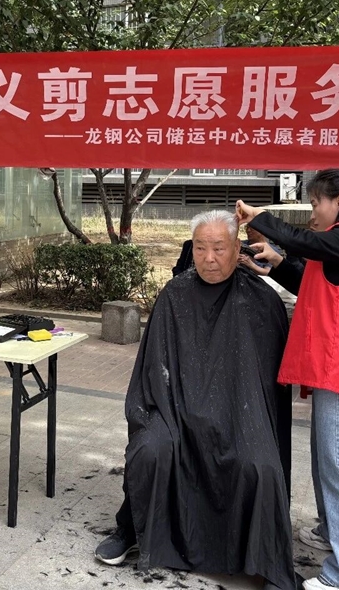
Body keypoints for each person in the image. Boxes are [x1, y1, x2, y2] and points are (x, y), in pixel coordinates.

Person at [95, 210, 296, 590]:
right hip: (174, 411)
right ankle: (131, 528)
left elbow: (269, 389)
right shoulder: (175, 294)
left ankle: (269, 561)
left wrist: (235, 417)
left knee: (261, 465)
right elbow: (152, 370)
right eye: (201, 248)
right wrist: (176, 413)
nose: (209, 258)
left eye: (219, 248)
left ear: (237, 249)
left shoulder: (261, 300)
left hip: (241, 416)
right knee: (150, 448)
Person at [237, 169, 339, 590]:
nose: (312, 212)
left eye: (316, 203)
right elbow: (311, 283)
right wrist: (277, 264)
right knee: (330, 465)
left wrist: (260, 217)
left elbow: (305, 241)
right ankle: (335, 534)